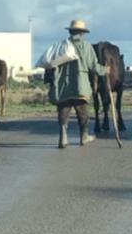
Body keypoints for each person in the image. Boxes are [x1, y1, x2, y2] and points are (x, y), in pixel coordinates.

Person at [46, 20, 108, 148]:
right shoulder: (86, 47)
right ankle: (84, 136)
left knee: (63, 111)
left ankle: (63, 137)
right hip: (80, 86)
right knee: (83, 113)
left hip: (63, 86)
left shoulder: (61, 46)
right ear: (83, 33)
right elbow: (93, 67)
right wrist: (105, 70)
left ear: (70, 32)